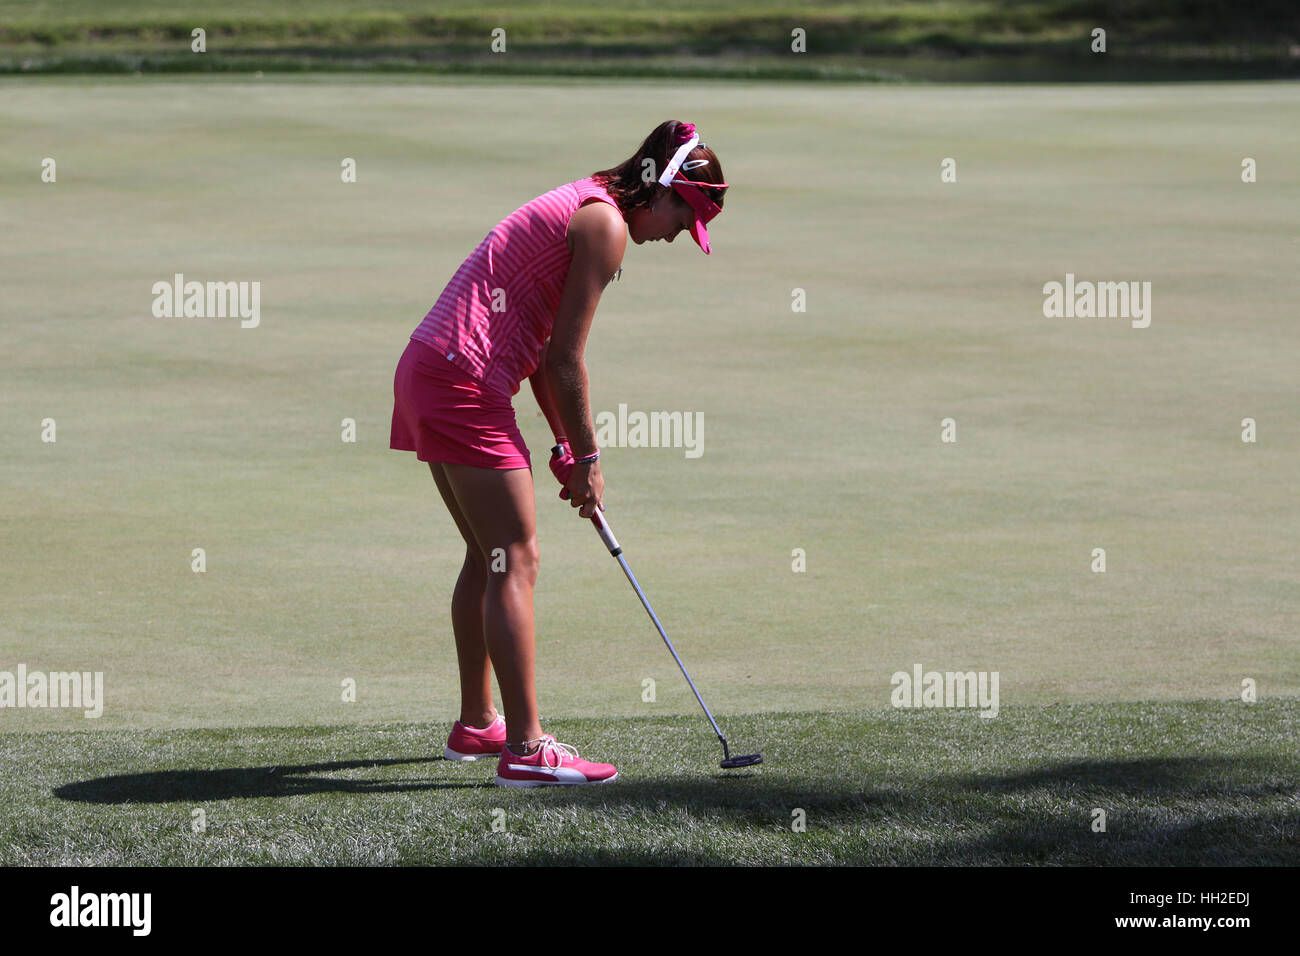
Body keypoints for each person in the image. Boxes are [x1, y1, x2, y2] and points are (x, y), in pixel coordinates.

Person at [389, 120, 728, 787]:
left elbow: (545, 360)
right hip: (463, 381)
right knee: (516, 556)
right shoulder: (607, 227)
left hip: (431, 366)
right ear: (662, 190)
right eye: (686, 218)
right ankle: (525, 747)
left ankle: (477, 723)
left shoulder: (591, 202)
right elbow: (568, 362)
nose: (678, 235)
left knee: (487, 554)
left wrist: (569, 450)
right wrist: (591, 459)